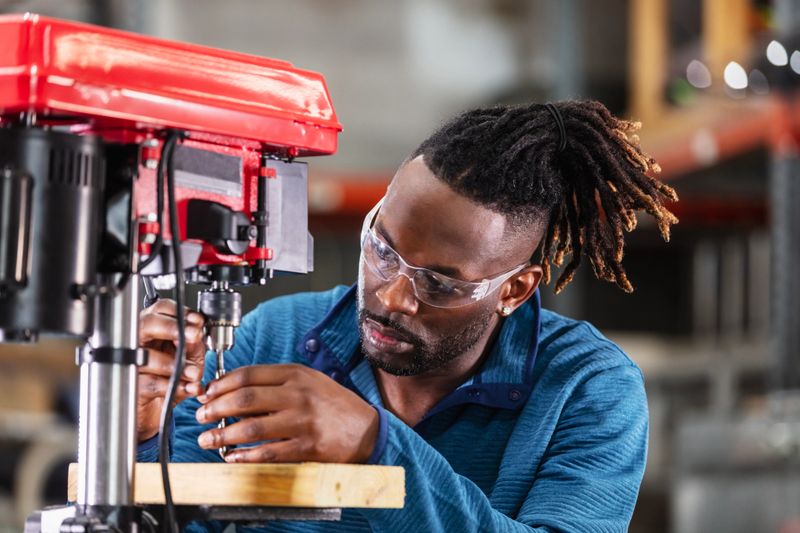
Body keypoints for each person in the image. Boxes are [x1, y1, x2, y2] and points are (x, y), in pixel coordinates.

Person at [136, 100, 678, 532]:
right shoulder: (272, 336)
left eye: (439, 283)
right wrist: (138, 437)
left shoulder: (587, 388)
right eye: (383, 250)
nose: (393, 296)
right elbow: (171, 519)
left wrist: (375, 447)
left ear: (514, 289)